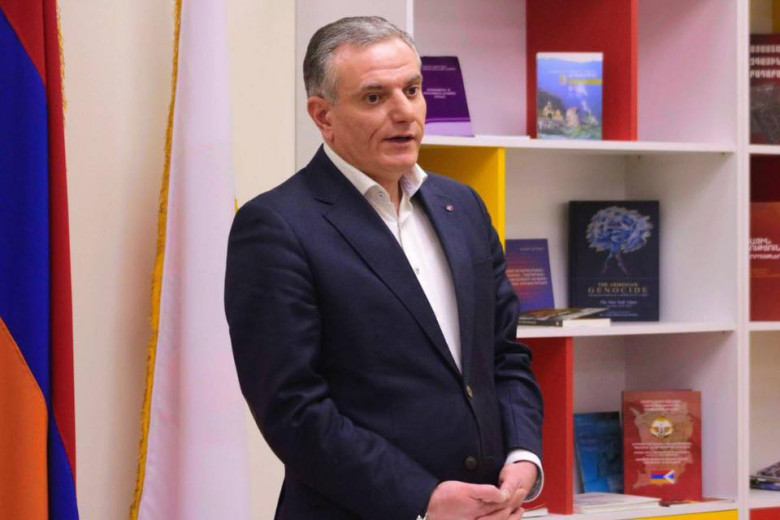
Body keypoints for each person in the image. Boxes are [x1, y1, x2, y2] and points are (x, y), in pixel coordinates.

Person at [224, 16, 543, 520]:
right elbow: (292, 407)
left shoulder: (463, 206)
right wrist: (422, 499)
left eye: (412, 90)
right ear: (323, 116)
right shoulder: (276, 226)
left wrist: (523, 454)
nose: (404, 112)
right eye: (374, 97)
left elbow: (504, 356)